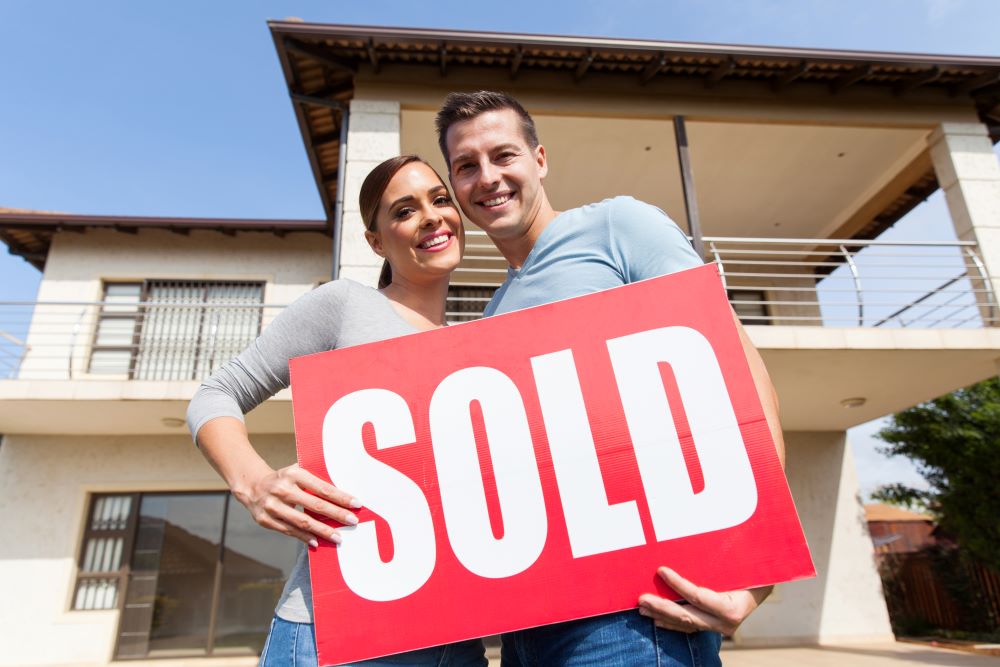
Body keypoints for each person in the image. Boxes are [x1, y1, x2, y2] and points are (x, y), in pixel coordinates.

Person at [435, 90, 786, 667]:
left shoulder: (619, 226)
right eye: (467, 166)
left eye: (504, 155)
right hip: (530, 623)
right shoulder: (493, 310)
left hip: (636, 613)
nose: (488, 177)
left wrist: (757, 565)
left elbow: (733, 366)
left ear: (539, 159)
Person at [186, 155, 487, 667]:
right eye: (405, 211)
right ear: (376, 242)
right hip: (338, 637)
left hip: (455, 640)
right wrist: (253, 481)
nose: (433, 217)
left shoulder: (478, 345)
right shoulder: (345, 305)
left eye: (440, 200)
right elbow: (216, 393)